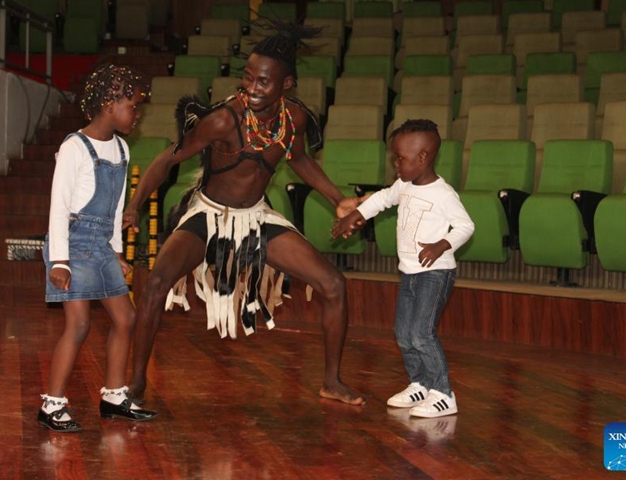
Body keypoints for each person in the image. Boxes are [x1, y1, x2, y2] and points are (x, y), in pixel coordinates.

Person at [123, 22, 365, 406]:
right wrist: (134, 205)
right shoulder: (223, 119)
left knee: (334, 284)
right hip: (208, 216)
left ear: (286, 85)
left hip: (255, 218)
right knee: (155, 284)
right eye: (248, 77)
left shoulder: (294, 119)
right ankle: (135, 381)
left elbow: (299, 159)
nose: (252, 88)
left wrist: (337, 199)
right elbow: (166, 159)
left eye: (264, 81)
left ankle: (332, 381)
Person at [39, 64, 157, 433]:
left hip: (102, 243)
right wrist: (59, 260)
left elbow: (116, 210)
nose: (137, 115)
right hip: (72, 244)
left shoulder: (121, 148)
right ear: (109, 103)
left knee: (126, 318)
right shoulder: (74, 147)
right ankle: (52, 404)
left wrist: (118, 253)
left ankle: (114, 396)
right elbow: (58, 207)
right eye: (133, 106)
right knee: (79, 323)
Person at [333, 119, 474, 418]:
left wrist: (442, 245)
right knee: (403, 332)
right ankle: (419, 384)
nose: (395, 163)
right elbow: (382, 199)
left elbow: (465, 225)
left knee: (422, 333)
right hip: (409, 272)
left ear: (423, 157)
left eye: (401, 158)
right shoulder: (404, 185)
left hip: (436, 273)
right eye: (395, 157)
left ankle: (443, 393)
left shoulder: (443, 194)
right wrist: (356, 215)